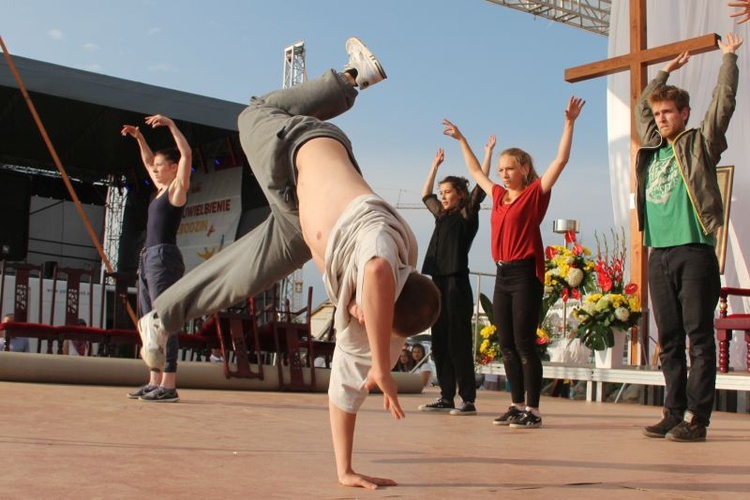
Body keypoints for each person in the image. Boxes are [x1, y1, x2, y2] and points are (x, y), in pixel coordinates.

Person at [137, 37, 440, 489]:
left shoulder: (378, 333)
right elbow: (376, 272)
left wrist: (346, 470)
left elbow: (344, 396)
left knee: (241, 274)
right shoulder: (390, 241)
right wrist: (381, 365)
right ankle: (352, 78)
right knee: (253, 115)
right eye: (368, 312)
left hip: (299, 225)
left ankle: (161, 319)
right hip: (300, 150)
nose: (357, 313)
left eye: (364, 316)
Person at [443, 95, 585, 429]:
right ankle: (516, 403)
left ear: (524, 169)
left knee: (523, 343)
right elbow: (476, 170)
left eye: (510, 168)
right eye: (502, 169)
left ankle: (533, 410)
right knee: (505, 343)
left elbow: (560, 160)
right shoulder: (497, 196)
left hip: (525, 273)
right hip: (502, 272)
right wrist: (463, 139)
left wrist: (569, 123)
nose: (504, 174)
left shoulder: (535, 193)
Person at [639, 34, 743, 443]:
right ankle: (672, 411)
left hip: (694, 250)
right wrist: (665, 72)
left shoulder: (700, 144)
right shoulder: (651, 151)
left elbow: (723, 106)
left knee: (698, 336)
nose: (661, 119)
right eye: (658, 113)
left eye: (669, 112)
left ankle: (697, 419)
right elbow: (639, 108)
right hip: (659, 253)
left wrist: (729, 59)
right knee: (668, 337)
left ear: (683, 114)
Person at [417, 140, 494, 416]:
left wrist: (487, 155)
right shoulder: (441, 215)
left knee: (458, 341)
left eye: (448, 192)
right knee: (439, 341)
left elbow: (480, 187)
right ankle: (446, 396)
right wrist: (434, 166)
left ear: (460, 195)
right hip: (436, 283)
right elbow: (425, 194)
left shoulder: (466, 214)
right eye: (443, 192)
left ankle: (468, 399)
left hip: (456, 283)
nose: (443, 196)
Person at [121, 114, 192, 403]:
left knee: (164, 321)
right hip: (147, 258)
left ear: (174, 168)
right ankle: (154, 380)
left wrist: (172, 126)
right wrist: (140, 137)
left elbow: (186, 153)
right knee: (148, 322)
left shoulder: (176, 190)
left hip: (164, 256)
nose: (156, 169)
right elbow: (148, 162)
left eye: (162, 166)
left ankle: (170, 384)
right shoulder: (160, 189)